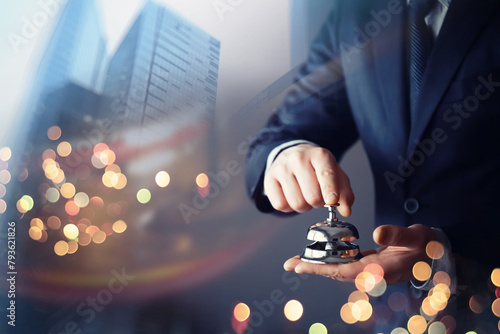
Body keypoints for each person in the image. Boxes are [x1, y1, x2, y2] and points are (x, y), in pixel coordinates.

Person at [245, 0, 500, 331]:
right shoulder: (353, 13)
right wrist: (284, 156)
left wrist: (449, 252)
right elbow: (278, 138)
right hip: (389, 310)